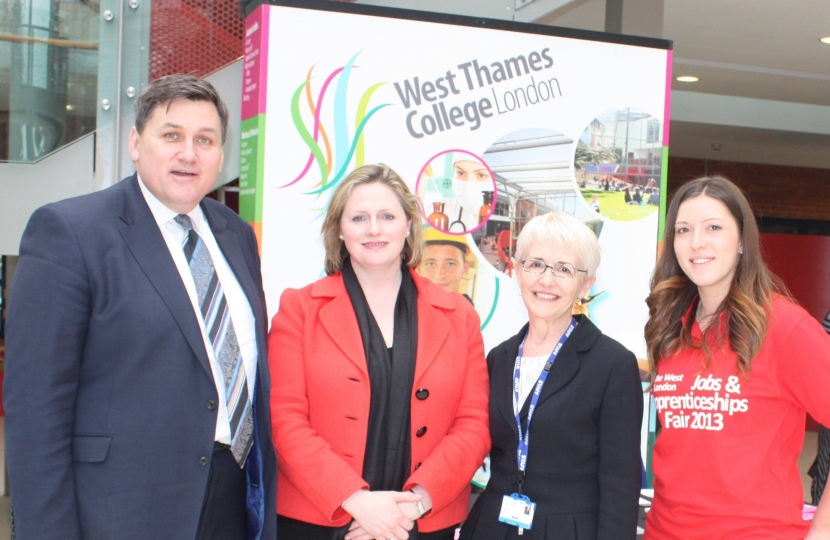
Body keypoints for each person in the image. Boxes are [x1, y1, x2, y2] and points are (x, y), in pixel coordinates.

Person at [3, 74, 277, 540]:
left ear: (221, 153)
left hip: (231, 501)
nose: (188, 153)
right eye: (171, 135)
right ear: (135, 142)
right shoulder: (70, 232)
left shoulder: (236, 234)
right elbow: (36, 412)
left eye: (205, 140)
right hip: (120, 510)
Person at [269, 164, 490, 540]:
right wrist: (356, 501)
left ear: (408, 224)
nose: (374, 229)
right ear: (339, 228)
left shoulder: (460, 316)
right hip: (321, 521)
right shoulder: (299, 310)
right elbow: (283, 420)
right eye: (359, 218)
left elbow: (473, 425)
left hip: (420, 522)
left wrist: (411, 507)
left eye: (387, 216)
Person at [643, 176, 830, 539]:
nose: (697, 242)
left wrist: (821, 531)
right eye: (683, 230)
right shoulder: (669, 327)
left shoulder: (783, 326)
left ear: (743, 240)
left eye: (713, 227)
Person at [460, 212, 643, 540]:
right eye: (536, 264)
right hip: (492, 525)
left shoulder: (613, 364)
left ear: (586, 283)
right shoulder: (498, 358)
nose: (547, 280)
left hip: (568, 531)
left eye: (564, 269)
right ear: (516, 270)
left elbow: (620, 484)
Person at [418, 227, 471, 301]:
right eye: (431, 264)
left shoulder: (470, 311)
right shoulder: (405, 308)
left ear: (464, 268)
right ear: (418, 269)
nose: (440, 275)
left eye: (450, 264)